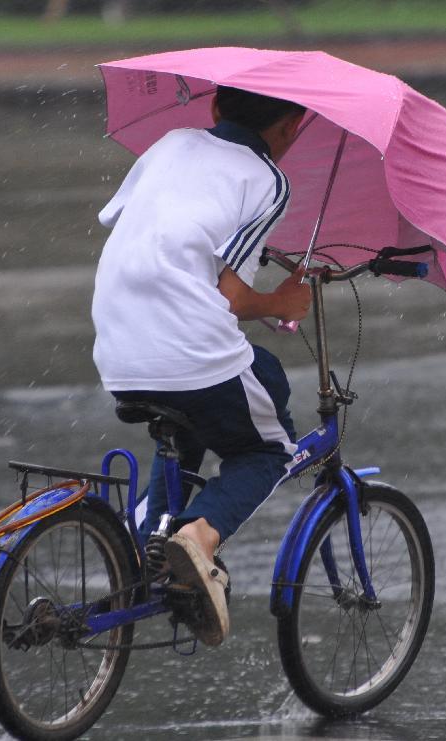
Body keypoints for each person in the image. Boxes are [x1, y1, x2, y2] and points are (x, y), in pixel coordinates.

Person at [91, 86, 310, 646]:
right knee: (267, 447)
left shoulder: (170, 142)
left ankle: (148, 546)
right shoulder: (268, 180)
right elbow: (234, 296)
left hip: (118, 347)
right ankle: (200, 535)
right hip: (189, 348)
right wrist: (280, 303)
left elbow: (146, 227)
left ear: (213, 109)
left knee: (191, 423)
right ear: (290, 127)